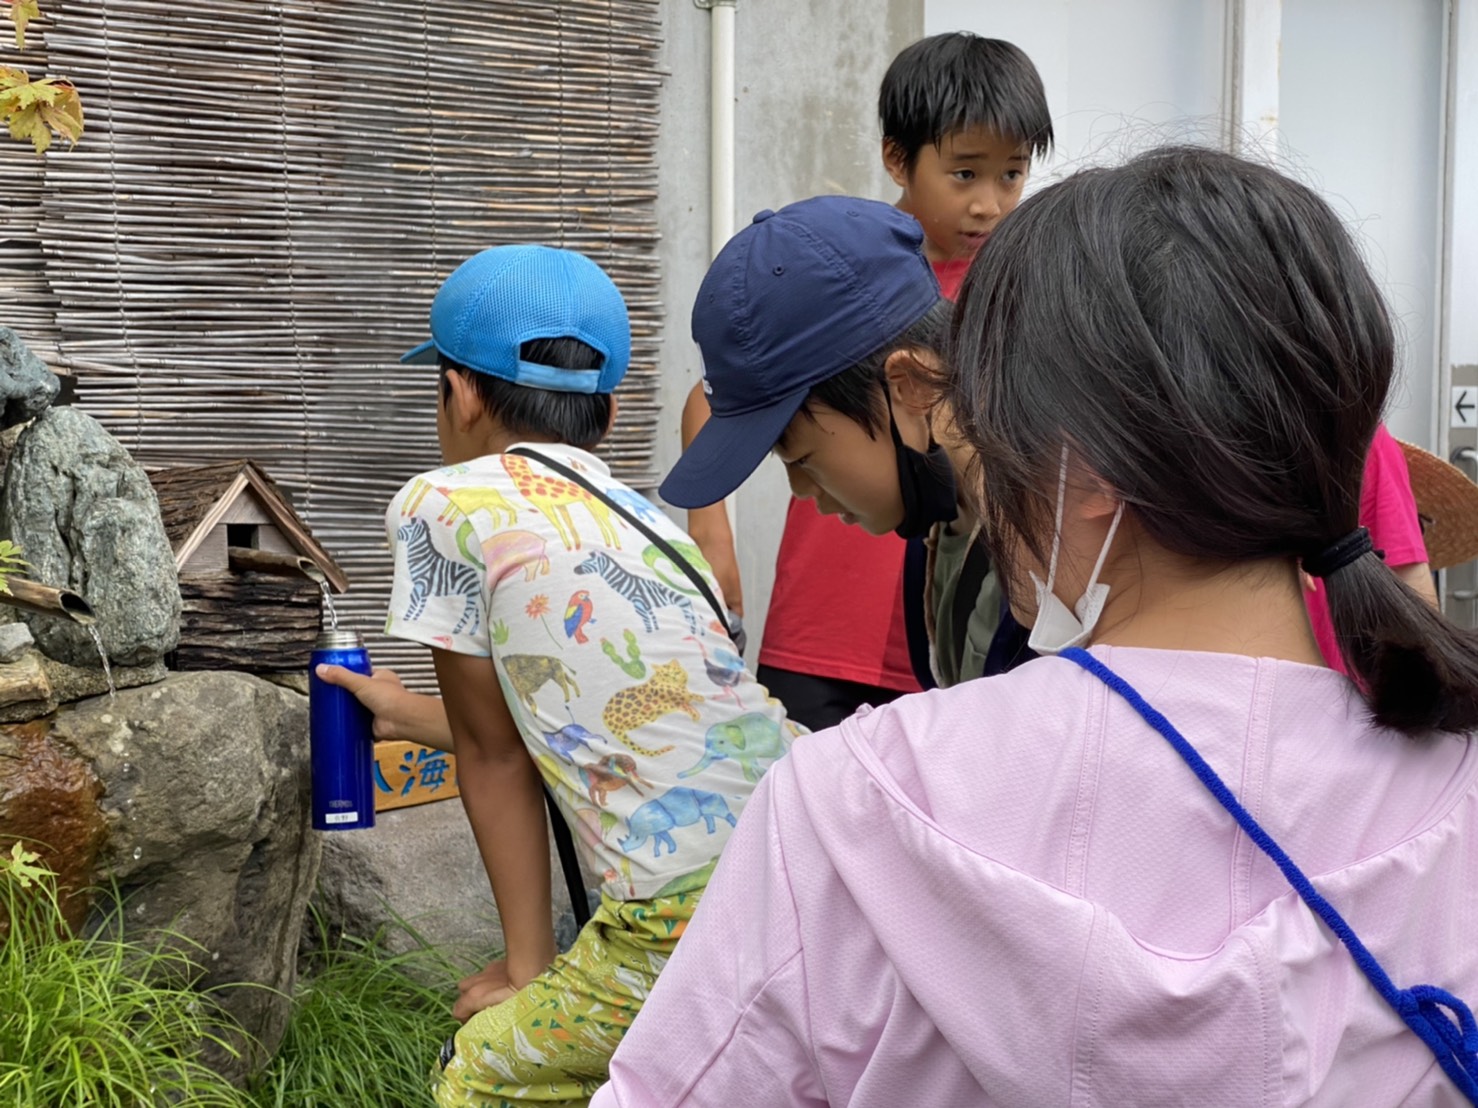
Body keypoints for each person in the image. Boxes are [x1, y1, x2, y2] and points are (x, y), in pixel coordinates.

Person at [591, 147, 1478, 1106]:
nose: (978, 458)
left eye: (992, 423)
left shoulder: (850, 808)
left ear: (1084, 466)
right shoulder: (1452, 798)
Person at [378, 244, 798, 1107]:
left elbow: (495, 754)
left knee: (481, 1073)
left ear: (458, 393)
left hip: (679, 915)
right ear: (605, 413)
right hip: (804, 851)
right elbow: (593, 725)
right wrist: (399, 712)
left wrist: (527, 970)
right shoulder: (654, 527)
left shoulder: (445, 502)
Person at [675, 33, 1052, 719]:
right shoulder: (827, 267)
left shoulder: (1026, 290)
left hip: (949, 622)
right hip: (827, 620)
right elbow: (714, 399)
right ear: (898, 159)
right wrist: (712, 533)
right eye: (965, 173)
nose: (989, 203)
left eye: (1011, 174)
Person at [664, 195, 1016, 688]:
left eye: (805, 459)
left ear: (909, 385)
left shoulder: (1059, 555)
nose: (802, 490)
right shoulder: (943, 527)